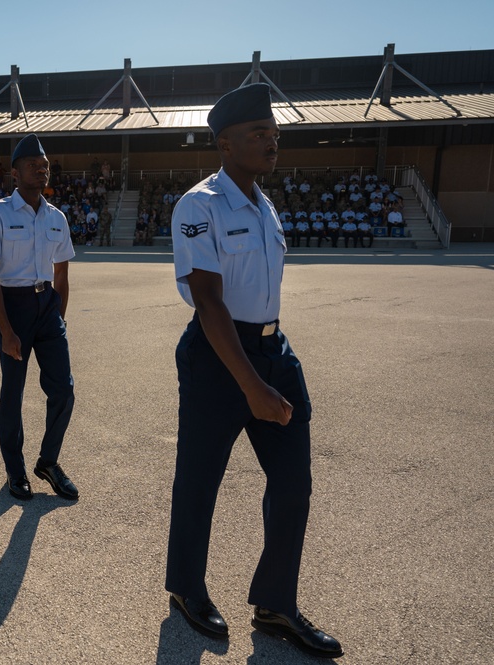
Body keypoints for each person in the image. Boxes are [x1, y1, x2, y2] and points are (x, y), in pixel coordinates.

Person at [166, 83, 342, 658]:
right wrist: (252, 387)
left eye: (273, 133)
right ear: (225, 142)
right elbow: (210, 302)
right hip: (219, 356)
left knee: (293, 482)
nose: (272, 142)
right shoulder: (200, 205)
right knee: (200, 479)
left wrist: (271, 373)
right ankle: (188, 589)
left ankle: (275, 605)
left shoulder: (264, 204)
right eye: (259, 134)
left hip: (272, 348)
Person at [0, 133, 77, 502]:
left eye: (45, 166)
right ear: (15, 174)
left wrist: (58, 319)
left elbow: (62, 274)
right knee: (13, 393)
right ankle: (15, 471)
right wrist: (5, 329)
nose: (41, 170)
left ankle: (48, 462)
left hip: (46, 305)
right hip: (11, 306)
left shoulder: (56, 217)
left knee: (64, 389)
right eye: (33, 166)